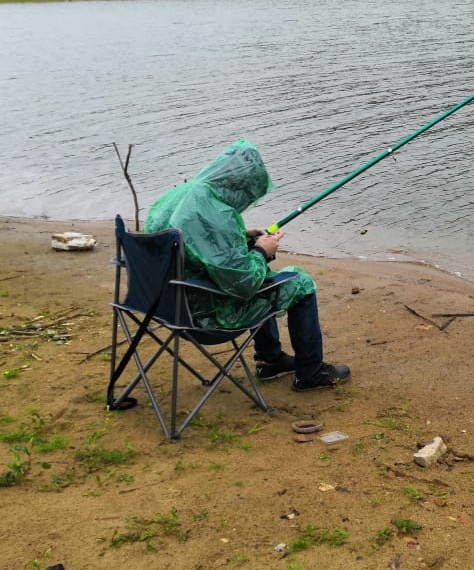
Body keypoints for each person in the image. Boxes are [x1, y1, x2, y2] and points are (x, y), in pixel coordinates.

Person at [144, 138, 350, 390]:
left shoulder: (182, 195)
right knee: (301, 282)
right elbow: (245, 285)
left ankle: (271, 360)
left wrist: (241, 238)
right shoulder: (215, 213)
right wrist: (262, 251)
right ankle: (311, 373)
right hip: (205, 318)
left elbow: (195, 243)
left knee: (261, 271)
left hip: (165, 305)